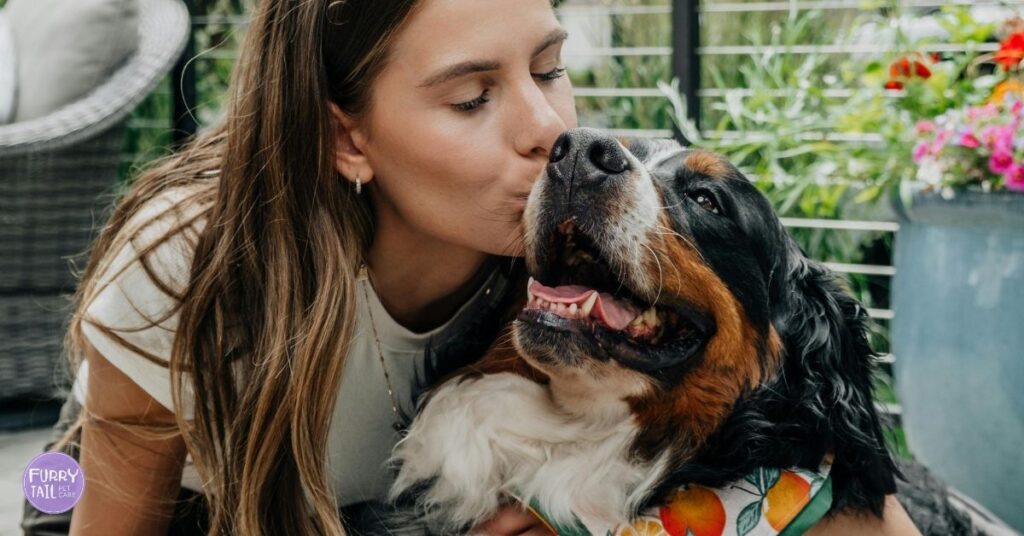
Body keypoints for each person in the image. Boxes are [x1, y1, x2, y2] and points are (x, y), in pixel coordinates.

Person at [21, 0, 921, 534]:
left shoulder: (553, 257)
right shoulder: (194, 261)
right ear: (348, 133)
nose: (550, 130)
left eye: (550, 67)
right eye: (471, 96)